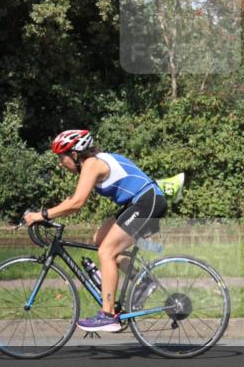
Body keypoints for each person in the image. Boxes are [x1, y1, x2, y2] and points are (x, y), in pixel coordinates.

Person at [23, 129, 167, 332]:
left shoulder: (91, 163)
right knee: (99, 240)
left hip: (147, 202)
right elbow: (71, 200)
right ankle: (143, 282)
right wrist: (47, 213)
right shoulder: (91, 163)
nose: (60, 163)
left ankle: (108, 315)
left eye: (61, 157)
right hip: (138, 203)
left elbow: (77, 203)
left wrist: (42, 215)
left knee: (106, 251)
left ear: (74, 154)